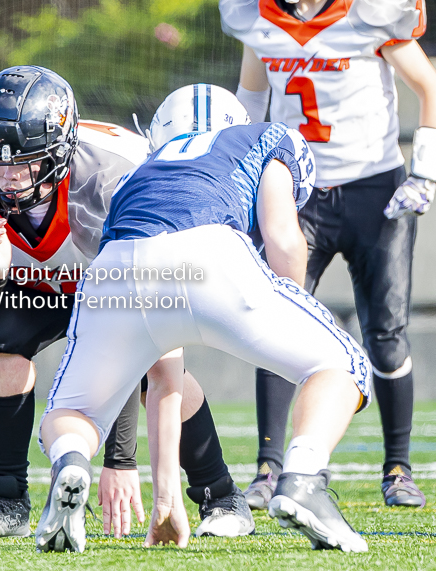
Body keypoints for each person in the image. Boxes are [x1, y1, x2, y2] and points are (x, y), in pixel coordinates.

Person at [35, 83, 373, 554]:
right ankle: (302, 479)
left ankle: (70, 464)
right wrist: (287, 320)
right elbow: (283, 238)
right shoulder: (264, 136)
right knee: (343, 365)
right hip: (212, 252)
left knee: (71, 412)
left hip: (116, 267)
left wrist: (167, 499)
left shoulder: (138, 176)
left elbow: (163, 376)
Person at [0, 66, 254, 540]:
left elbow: (122, 331)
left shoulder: (111, 183)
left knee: (155, 363)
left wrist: (121, 461)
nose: (9, 178)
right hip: (42, 280)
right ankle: (6, 499)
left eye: (24, 164)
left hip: (120, 268)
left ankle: (220, 495)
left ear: (58, 154)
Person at [219, 0, 436, 509]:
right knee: (275, 325)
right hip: (298, 194)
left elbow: (430, 87)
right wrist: (232, 173)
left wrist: (426, 172)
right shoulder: (259, 19)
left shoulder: (370, 14)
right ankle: (268, 470)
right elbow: (250, 103)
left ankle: (398, 468)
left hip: (374, 192)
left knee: (386, 336)